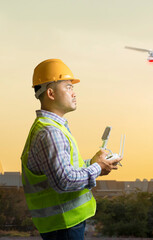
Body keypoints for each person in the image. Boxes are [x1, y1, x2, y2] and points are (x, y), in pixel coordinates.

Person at [21, 59, 121, 240]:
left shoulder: (52, 128)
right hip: (64, 225)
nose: (74, 94)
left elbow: (63, 169)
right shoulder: (50, 132)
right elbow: (64, 181)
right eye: (68, 87)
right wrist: (97, 168)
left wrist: (92, 163)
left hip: (63, 224)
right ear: (50, 93)